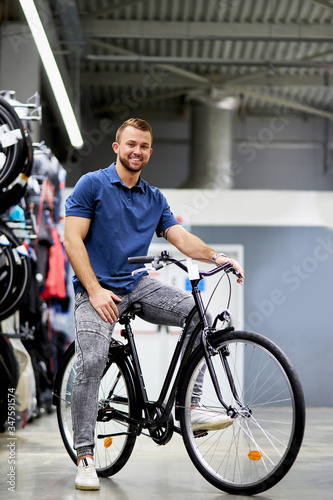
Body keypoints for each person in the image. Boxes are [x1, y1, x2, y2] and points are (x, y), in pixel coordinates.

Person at [64, 118, 244, 491]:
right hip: (94, 289)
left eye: (144, 146)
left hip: (137, 285)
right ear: (117, 147)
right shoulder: (92, 185)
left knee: (200, 316)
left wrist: (219, 257)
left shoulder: (154, 198)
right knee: (93, 359)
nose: (137, 151)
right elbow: (72, 240)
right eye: (130, 144)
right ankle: (85, 455)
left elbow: (183, 239)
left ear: (149, 151)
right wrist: (95, 290)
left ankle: (189, 408)